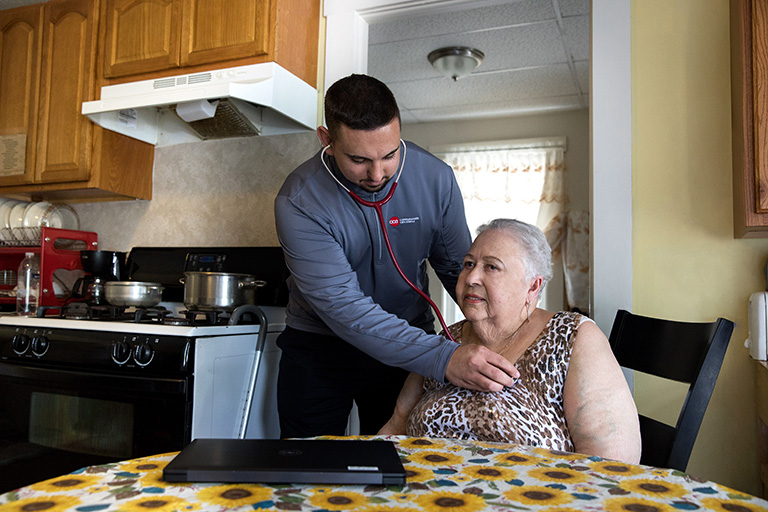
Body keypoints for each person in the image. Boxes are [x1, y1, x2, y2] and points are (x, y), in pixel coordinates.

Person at [273, 75, 517, 438]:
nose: (378, 173)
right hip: (320, 348)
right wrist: (443, 356)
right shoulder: (299, 200)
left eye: (390, 154)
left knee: (400, 462)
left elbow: (458, 271)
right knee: (309, 463)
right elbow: (343, 306)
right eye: (359, 160)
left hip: (409, 342)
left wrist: (503, 333)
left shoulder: (436, 179)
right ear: (327, 140)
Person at [379, 218, 642, 464]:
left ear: (532, 287)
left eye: (492, 267)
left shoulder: (572, 337)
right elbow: (397, 427)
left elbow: (612, 465)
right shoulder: (447, 340)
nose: (471, 278)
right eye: (469, 264)